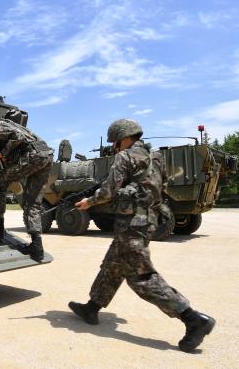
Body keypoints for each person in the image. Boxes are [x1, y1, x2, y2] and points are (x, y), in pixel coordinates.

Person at [69, 118, 215, 353]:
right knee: (113, 265)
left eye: (116, 142)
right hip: (147, 219)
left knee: (141, 277)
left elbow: (108, 190)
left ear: (125, 138)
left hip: (132, 222)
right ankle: (92, 307)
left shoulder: (125, 157)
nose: (115, 146)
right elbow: (161, 185)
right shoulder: (156, 157)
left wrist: (90, 201)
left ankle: (193, 319)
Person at [0, 110, 53, 262]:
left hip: (34, 155)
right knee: (32, 203)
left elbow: (19, 137)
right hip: (46, 156)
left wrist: (1, 154)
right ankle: (37, 247)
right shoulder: (8, 127)